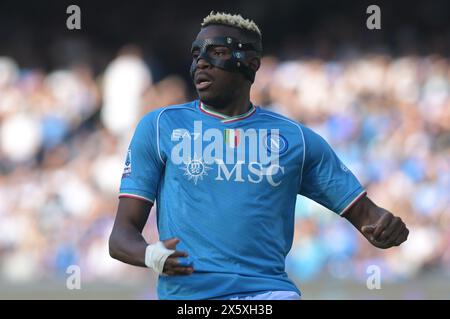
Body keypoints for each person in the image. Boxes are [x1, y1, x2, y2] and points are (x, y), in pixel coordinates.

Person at [109, 11, 409, 300]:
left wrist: (387, 227)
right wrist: (152, 255)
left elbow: (370, 218)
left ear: (251, 63)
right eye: (196, 53)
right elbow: (121, 237)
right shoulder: (160, 126)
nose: (201, 62)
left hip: (269, 294)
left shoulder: (298, 140)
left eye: (216, 52)